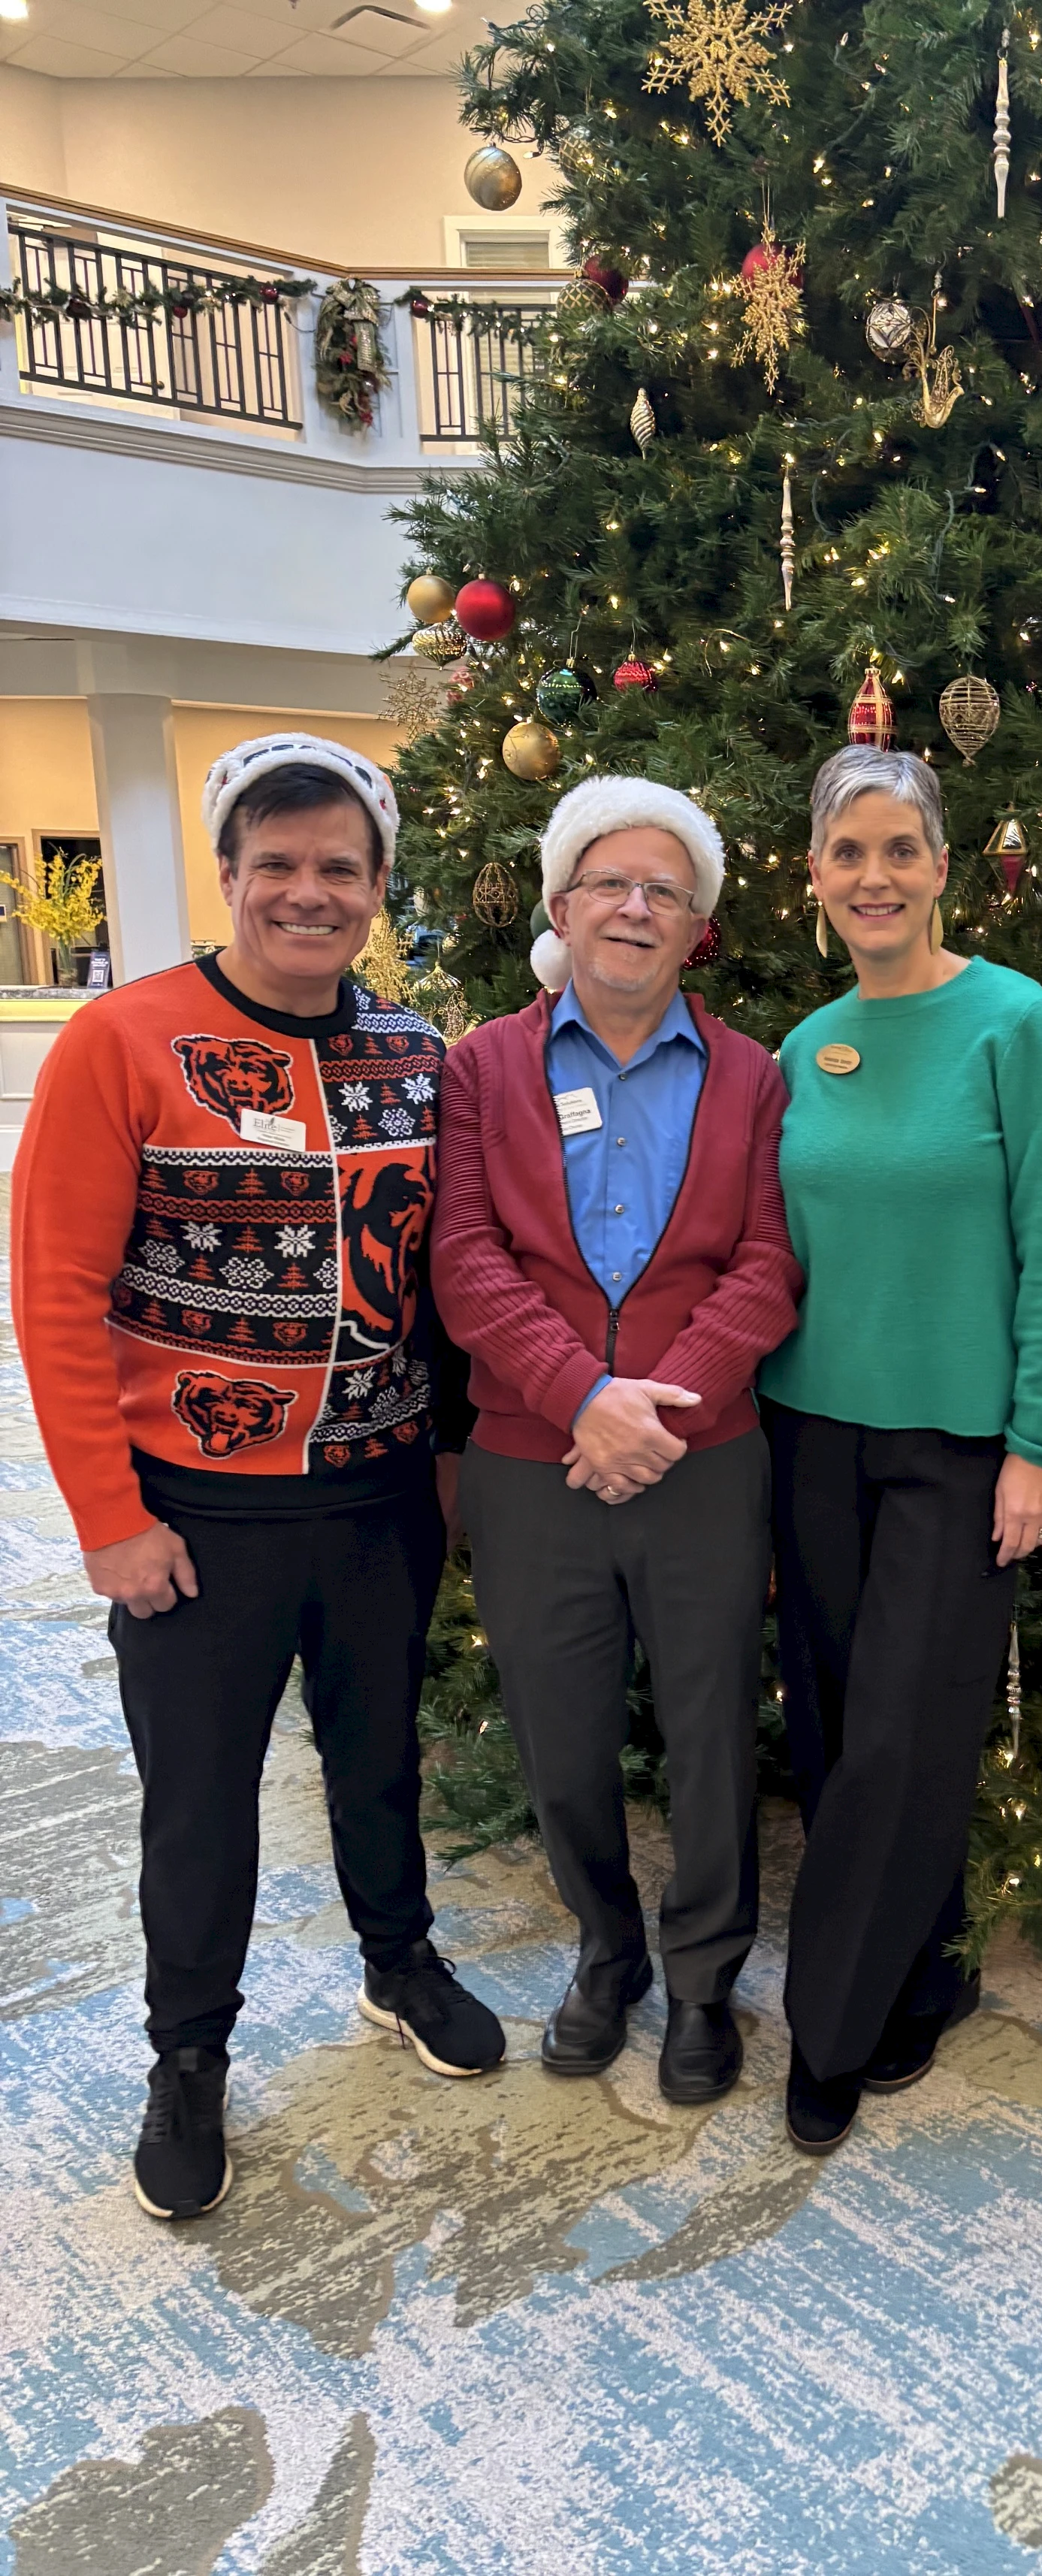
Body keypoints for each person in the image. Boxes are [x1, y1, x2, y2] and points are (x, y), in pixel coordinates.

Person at [11, 733, 503, 2225]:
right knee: (203, 1805)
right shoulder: (126, 1041)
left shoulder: (417, 1057)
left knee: (378, 1761)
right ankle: (189, 2056)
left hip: (376, 1498)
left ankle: (398, 1961)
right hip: (199, 1517)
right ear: (228, 875)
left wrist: (457, 1470)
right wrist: (109, 1518)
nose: (306, 891)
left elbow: (444, 1288)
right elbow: (53, 1288)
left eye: (337, 868)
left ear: (374, 889)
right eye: (276, 864)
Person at [432, 776, 800, 2100]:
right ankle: (608, 1953)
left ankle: (705, 1982)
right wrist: (582, 1397)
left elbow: (764, 1268)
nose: (635, 908)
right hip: (535, 1463)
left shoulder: (755, 1074)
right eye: (610, 883)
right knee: (562, 1735)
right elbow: (465, 1259)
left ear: (696, 926)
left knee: (710, 1734)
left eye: (666, 890)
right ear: (559, 904)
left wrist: (662, 1405)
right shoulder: (480, 1066)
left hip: (704, 1463)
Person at [761, 746, 1042, 2155]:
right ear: (818, 880)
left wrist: (1037, 1441)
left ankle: (829, 2027)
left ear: (943, 868)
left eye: (900, 850)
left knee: (906, 1723)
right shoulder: (801, 1046)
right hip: (810, 1426)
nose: (874, 877)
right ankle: (931, 1961)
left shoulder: (1011, 1023)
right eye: (849, 855)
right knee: (838, 1719)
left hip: (961, 1443)